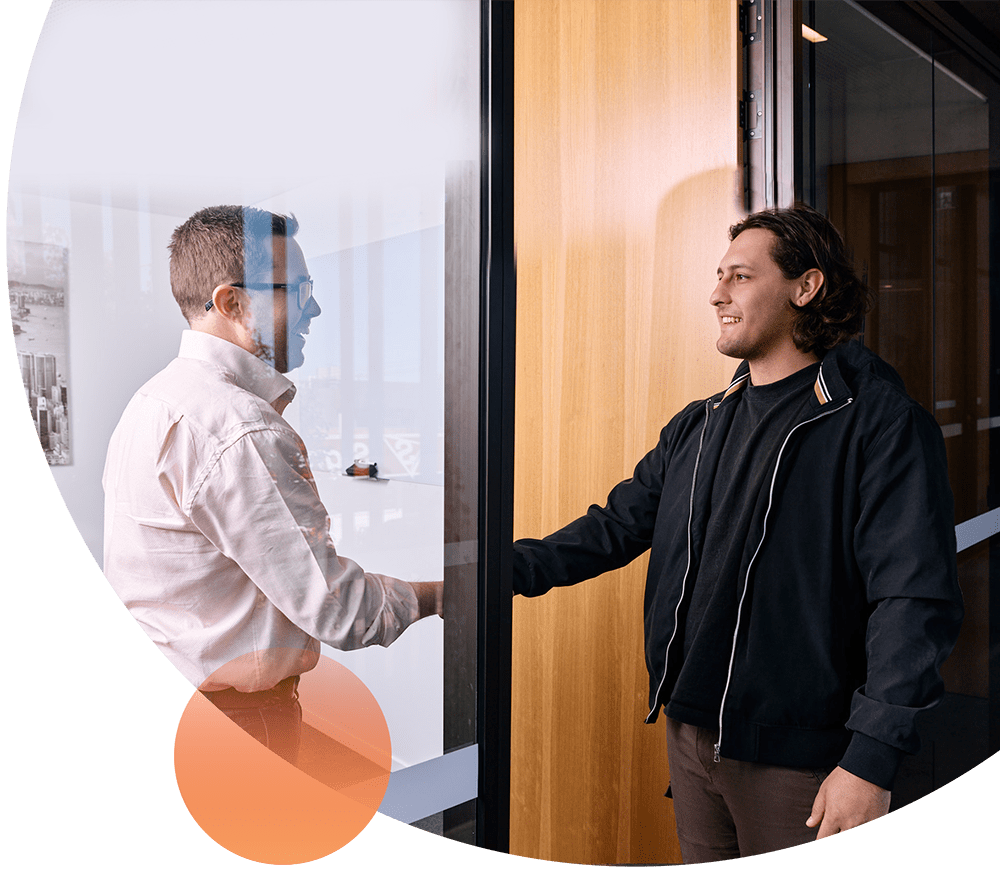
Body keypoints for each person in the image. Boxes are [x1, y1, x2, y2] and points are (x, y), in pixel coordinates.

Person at [512, 204, 962, 861]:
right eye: (719, 275)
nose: (717, 293)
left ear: (804, 288)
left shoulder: (879, 425)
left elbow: (912, 599)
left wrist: (869, 758)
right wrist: (480, 579)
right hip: (691, 737)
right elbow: (612, 528)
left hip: (800, 758)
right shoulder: (699, 423)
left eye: (741, 276)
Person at [103, 205, 443, 764]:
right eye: (299, 289)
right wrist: (444, 593)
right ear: (232, 303)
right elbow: (342, 612)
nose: (315, 307)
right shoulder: (239, 430)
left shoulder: (153, 402)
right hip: (238, 726)